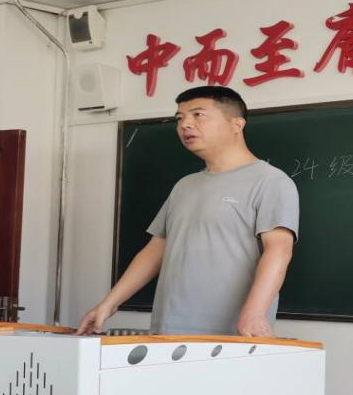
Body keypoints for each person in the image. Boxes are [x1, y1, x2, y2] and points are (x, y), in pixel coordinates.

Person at [77, 86, 298, 337]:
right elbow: (155, 250)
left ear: (236, 124)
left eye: (198, 115)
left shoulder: (270, 182)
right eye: (180, 118)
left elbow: (279, 251)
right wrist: (109, 303)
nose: (185, 125)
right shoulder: (185, 186)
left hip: (232, 335)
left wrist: (256, 312)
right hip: (167, 330)